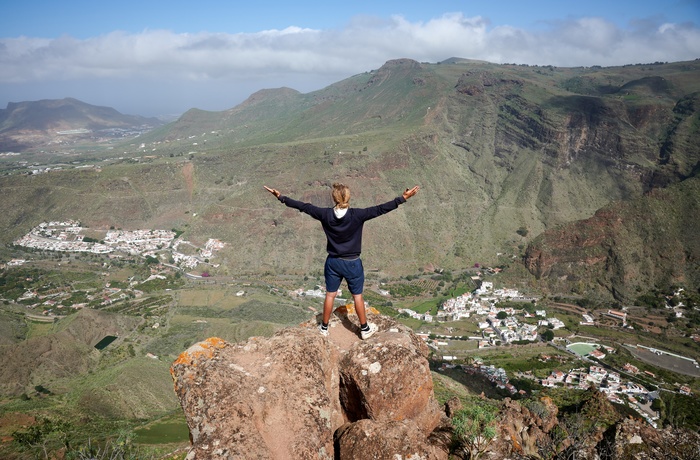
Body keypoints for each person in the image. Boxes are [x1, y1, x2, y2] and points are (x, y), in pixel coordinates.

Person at [264, 183, 420, 339]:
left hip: (333, 262)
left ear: (334, 198)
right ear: (348, 197)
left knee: (330, 295)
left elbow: (303, 206)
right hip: (352, 263)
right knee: (357, 296)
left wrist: (281, 197)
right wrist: (403, 198)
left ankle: (324, 328)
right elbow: (381, 209)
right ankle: (364, 329)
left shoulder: (324, 214)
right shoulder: (358, 215)